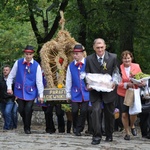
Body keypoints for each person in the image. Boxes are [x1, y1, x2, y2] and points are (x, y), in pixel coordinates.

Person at [85, 38, 118, 145]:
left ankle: (109, 134)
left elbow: (117, 72)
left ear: (105, 46)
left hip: (109, 90)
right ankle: (96, 136)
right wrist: (87, 84)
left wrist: (115, 82)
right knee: (95, 111)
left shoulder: (113, 57)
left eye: (101, 47)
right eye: (97, 47)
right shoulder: (89, 59)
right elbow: (85, 74)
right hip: (95, 91)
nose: (100, 49)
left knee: (109, 113)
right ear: (94, 48)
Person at [6, 45, 44, 134]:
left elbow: (39, 81)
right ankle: (26, 121)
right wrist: (9, 88)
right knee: (21, 110)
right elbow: (11, 76)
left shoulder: (36, 66)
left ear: (33, 55)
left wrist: (41, 95)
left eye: (30, 54)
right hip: (19, 91)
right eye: (27, 54)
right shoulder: (18, 63)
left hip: (31, 92)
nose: (28, 56)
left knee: (28, 109)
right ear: (24, 54)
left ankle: (27, 128)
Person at [117, 50, 144, 140]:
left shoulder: (136, 66)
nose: (127, 60)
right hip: (122, 93)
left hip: (134, 92)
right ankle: (127, 132)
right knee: (124, 114)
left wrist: (141, 82)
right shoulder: (119, 68)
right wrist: (125, 84)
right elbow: (116, 81)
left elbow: (141, 78)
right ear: (122, 59)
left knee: (133, 112)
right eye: (125, 58)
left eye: (128, 58)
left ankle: (132, 125)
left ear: (131, 58)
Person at [65, 44, 89, 136]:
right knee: (74, 110)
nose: (75, 56)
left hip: (86, 92)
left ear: (82, 54)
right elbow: (68, 80)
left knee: (83, 111)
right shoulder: (71, 66)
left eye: (77, 54)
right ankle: (75, 126)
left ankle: (79, 128)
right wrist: (68, 93)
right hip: (75, 92)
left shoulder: (88, 63)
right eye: (74, 54)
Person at [0, 65, 18, 130]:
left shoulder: (13, 80)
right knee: (4, 113)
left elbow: (16, 88)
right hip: (2, 99)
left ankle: (6, 127)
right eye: (4, 70)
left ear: (10, 71)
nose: (5, 71)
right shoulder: (1, 79)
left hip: (10, 99)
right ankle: (11, 125)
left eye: (7, 70)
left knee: (7, 112)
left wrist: (16, 96)